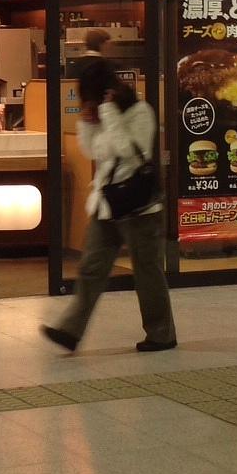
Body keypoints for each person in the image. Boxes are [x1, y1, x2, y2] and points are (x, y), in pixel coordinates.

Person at [42, 59, 176, 353]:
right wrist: (87, 123)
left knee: (147, 272)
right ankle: (70, 330)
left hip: (139, 207)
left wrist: (109, 113)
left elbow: (127, 150)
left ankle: (161, 334)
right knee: (91, 268)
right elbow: (94, 151)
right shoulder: (104, 114)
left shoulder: (141, 112)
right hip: (107, 204)